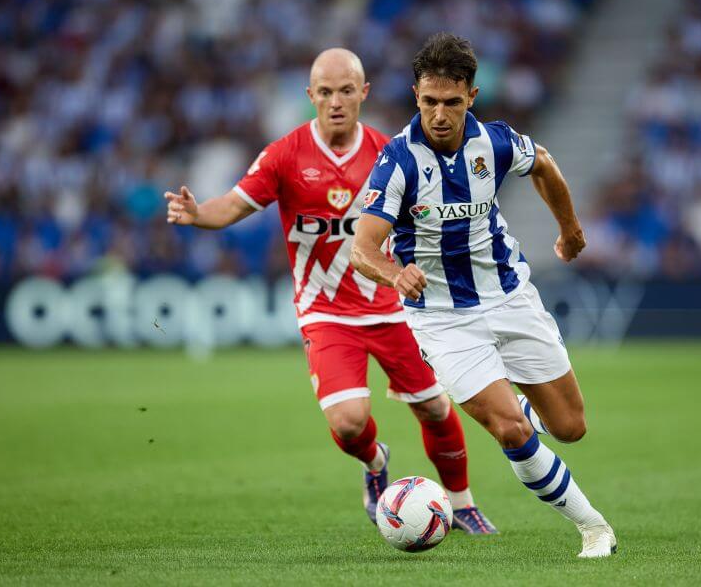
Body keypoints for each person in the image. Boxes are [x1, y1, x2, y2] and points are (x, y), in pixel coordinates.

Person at [165, 48, 496, 534]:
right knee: (347, 423)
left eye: (346, 91)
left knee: (435, 406)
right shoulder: (284, 155)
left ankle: (463, 503)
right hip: (326, 313)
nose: (336, 101)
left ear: (363, 93)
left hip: (393, 308)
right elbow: (232, 207)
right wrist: (198, 214)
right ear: (310, 97)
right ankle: (375, 460)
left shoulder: (391, 153)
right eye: (325, 92)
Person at [350, 33, 616, 557]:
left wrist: (570, 228)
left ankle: (512, 399)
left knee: (570, 428)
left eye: (451, 102)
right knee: (510, 429)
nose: (440, 114)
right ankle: (594, 528)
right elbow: (362, 247)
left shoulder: (493, 142)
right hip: (442, 319)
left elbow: (542, 163)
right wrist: (394, 274)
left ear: (471, 96)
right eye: (429, 102)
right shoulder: (398, 162)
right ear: (415, 96)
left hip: (510, 296)